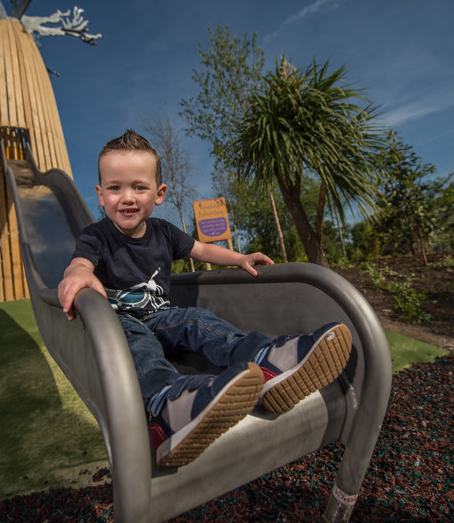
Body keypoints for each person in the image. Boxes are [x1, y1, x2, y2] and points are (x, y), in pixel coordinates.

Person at [58, 129, 352, 468]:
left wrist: (238, 258)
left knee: (197, 319)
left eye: (139, 187)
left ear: (159, 194)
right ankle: (165, 408)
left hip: (159, 315)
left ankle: (266, 362)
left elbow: (201, 248)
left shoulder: (164, 232)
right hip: (116, 324)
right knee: (139, 344)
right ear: (99, 194)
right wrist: (77, 273)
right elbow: (81, 260)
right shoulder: (96, 235)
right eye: (115, 188)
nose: (126, 197)